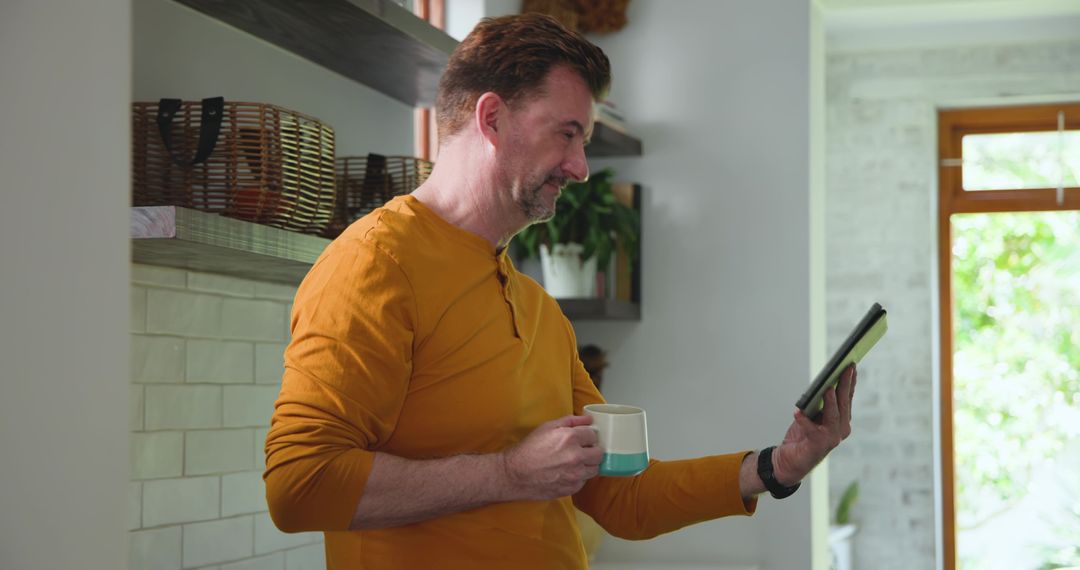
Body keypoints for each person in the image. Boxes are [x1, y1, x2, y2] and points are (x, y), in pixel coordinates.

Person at [263, 13, 857, 570]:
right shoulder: (375, 264)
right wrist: (509, 474)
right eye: (567, 134)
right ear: (491, 118)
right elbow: (300, 485)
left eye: (585, 141)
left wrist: (777, 468)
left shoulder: (537, 308)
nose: (581, 167)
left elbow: (620, 495)